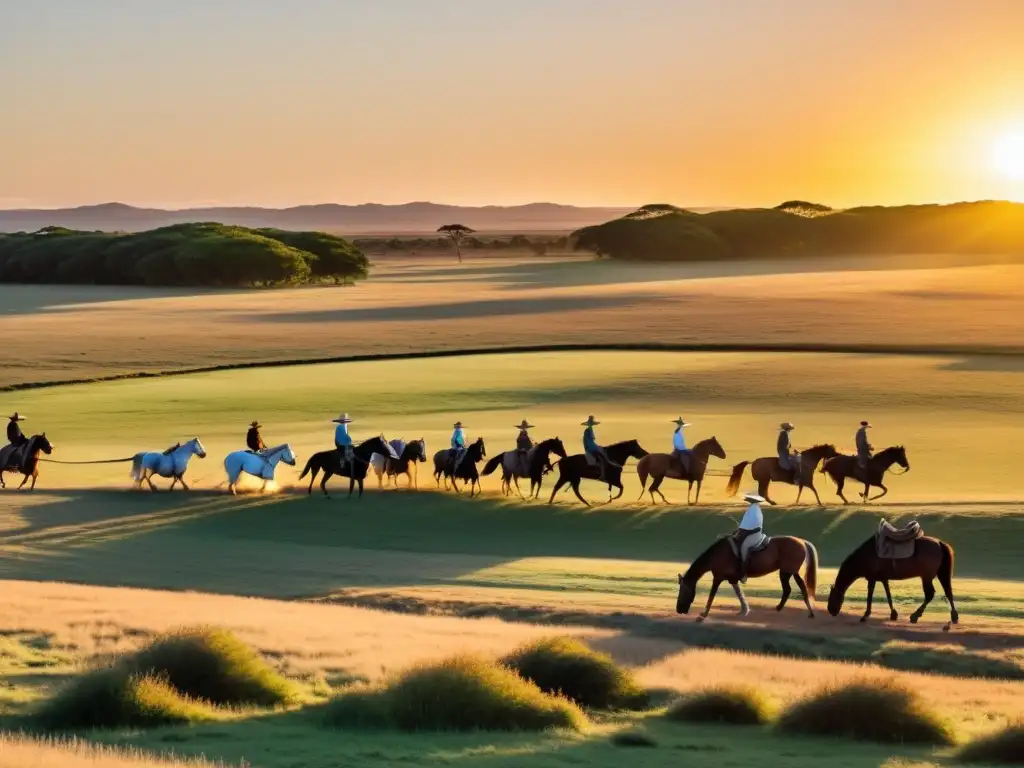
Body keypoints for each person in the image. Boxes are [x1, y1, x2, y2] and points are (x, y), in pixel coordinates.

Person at [735, 491, 767, 583]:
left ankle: (744, 574)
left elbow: (753, 526)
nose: (747, 499)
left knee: (744, 547)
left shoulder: (755, 510)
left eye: (749, 498)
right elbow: (745, 524)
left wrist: (742, 532)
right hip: (748, 532)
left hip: (754, 534)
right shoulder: (752, 508)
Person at [582, 415, 618, 480]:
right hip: (591, 448)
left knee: (602, 451)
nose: (590, 425)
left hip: (591, 446)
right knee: (601, 458)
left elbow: (590, 441)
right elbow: (592, 439)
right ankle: (602, 475)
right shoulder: (588, 431)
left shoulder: (588, 430)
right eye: (590, 424)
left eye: (591, 424)